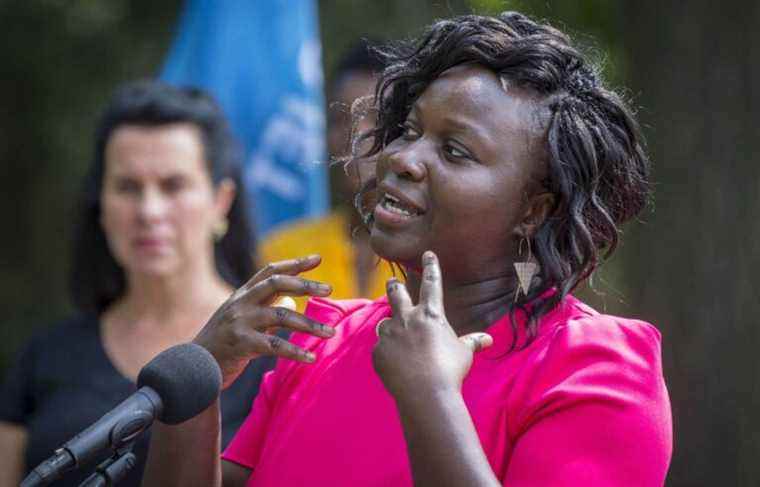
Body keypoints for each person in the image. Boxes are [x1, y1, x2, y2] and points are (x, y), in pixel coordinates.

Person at [143, 12, 673, 487]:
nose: (402, 158)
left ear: (533, 209)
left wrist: (430, 398)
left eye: (455, 151)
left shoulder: (592, 369)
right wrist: (200, 382)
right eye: (412, 130)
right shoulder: (325, 340)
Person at [0, 81, 275, 487]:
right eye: (128, 187)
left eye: (173, 185)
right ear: (101, 206)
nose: (149, 211)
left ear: (221, 201)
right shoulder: (44, 356)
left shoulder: (274, 354)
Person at [258, 40, 396, 312]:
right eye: (341, 120)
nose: (355, 136)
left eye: (377, 119)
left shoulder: (439, 258)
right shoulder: (283, 253)